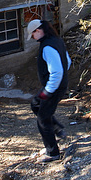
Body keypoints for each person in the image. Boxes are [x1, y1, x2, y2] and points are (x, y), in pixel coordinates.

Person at [27, 19, 71, 163]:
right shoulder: (57, 41)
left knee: (43, 119)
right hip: (56, 86)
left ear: (38, 31)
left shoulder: (47, 47)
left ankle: (52, 153)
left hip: (53, 88)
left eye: (32, 35)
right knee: (35, 104)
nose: (33, 38)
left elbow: (57, 71)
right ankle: (58, 129)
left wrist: (48, 91)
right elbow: (68, 62)